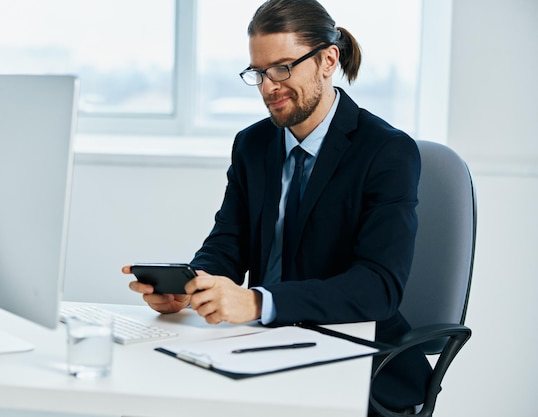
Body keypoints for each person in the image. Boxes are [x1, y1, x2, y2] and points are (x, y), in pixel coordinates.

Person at [123, 0, 431, 414]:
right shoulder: (252, 144)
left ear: (327, 60)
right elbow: (228, 242)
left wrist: (258, 302)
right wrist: (194, 286)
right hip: (260, 347)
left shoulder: (386, 152)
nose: (269, 86)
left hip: (355, 357)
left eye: (283, 68)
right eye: (259, 72)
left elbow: (378, 287)